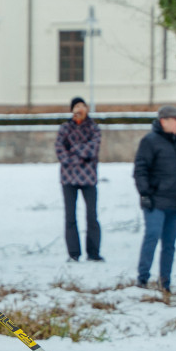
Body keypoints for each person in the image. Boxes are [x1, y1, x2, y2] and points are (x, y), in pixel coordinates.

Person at [133, 105, 176, 293]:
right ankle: (143, 278)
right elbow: (140, 170)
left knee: (169, 244)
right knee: (152, 236)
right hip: (155, 202)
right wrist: (145, 194)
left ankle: (165, 282)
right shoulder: (150, 142)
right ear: (164, 121)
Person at [55, 97, 102, 262]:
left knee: (92, 216)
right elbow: (60, 151)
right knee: (70, 217)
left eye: (82, 106)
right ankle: (73, 253)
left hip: (88, 178)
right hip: (68, 178)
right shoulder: (65, 128)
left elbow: (93, 149)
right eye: (76, 106)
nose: (80, 109)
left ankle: (93, 253)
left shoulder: (94, 128)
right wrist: (79, 156)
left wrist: (73, 149)